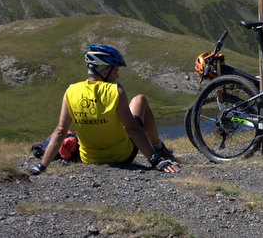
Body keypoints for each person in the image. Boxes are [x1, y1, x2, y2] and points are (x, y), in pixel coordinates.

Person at [30, 44, 180, 174]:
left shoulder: (71, 91)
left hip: (89, 158)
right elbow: (132, 129)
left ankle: (158, 147)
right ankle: (159, 147)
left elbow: (60, 130)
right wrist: (156, 160)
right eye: (115, 70)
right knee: (140, 99)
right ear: (104, 71)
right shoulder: (115, 90)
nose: (117, 74)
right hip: (122, 156)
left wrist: (42, 166)